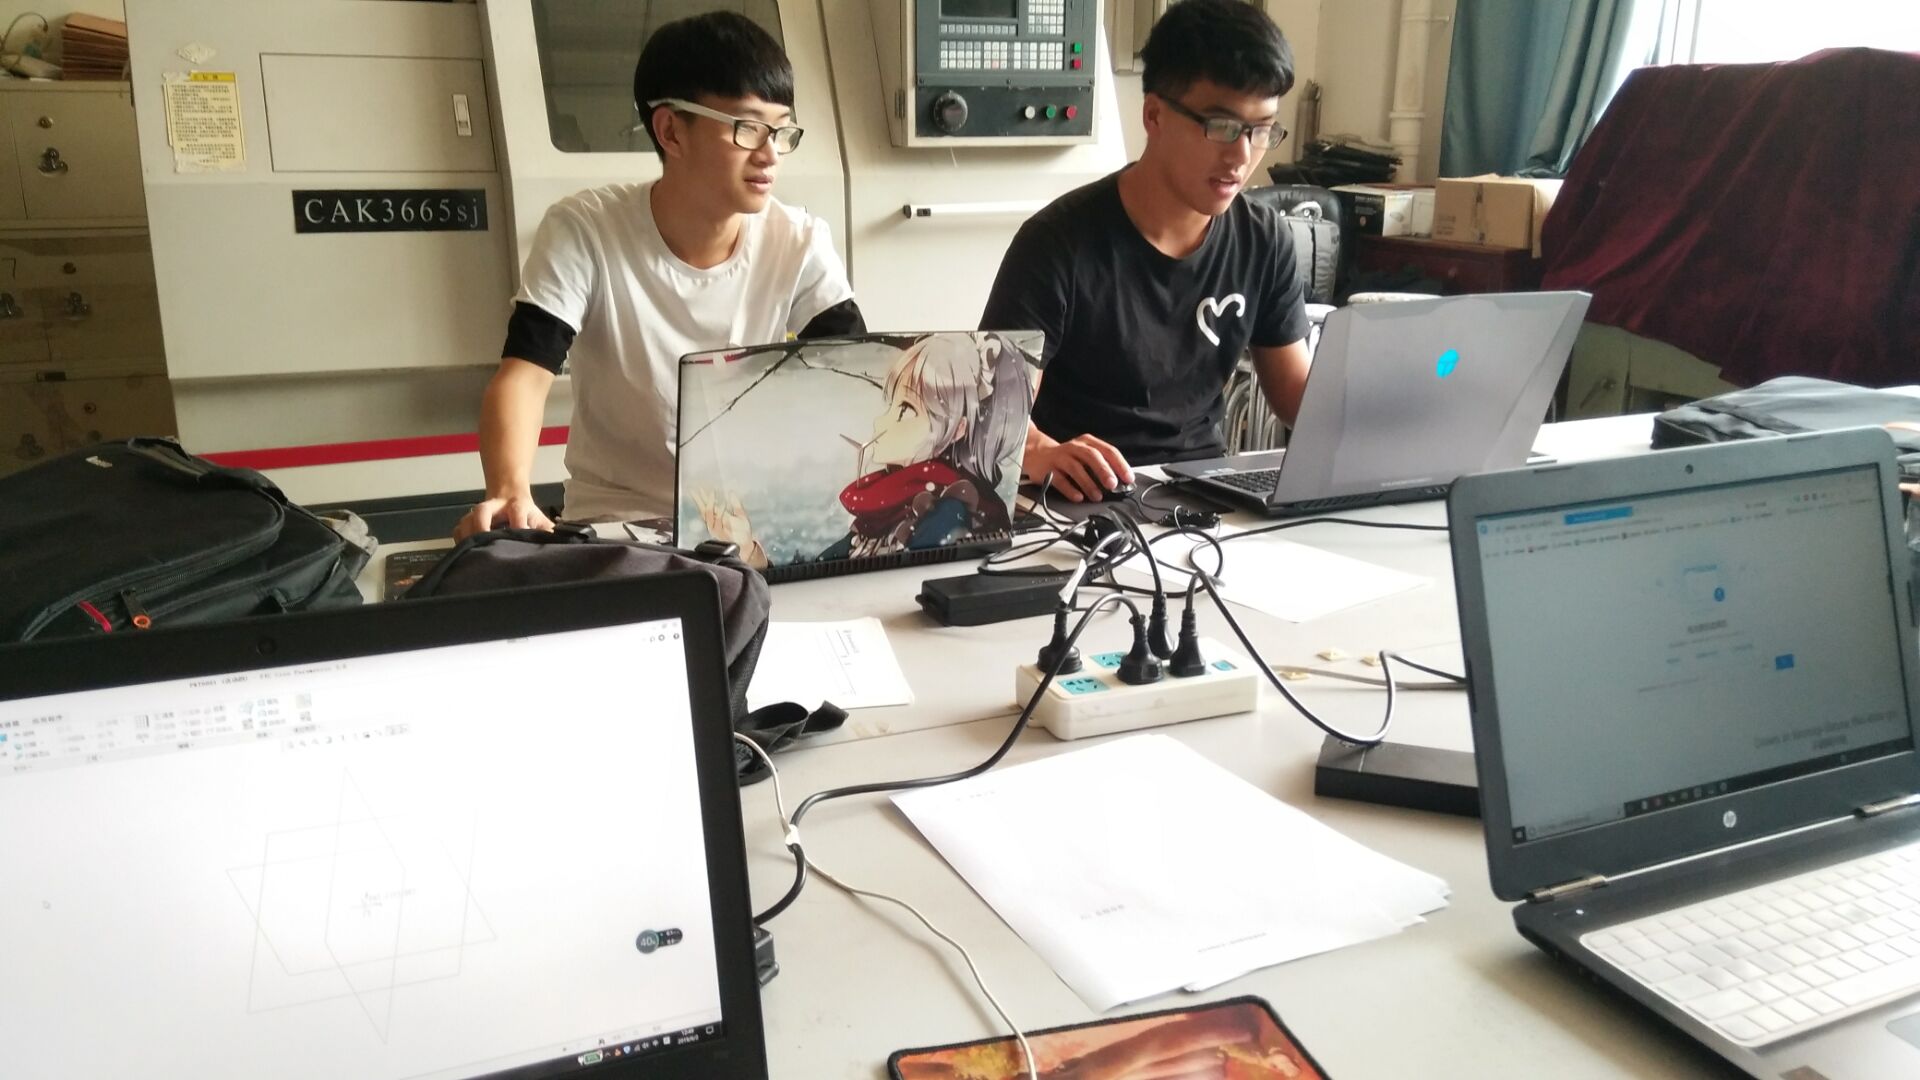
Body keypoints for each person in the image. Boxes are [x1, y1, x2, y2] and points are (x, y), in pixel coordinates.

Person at [455, 11, 865, 539]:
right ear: (671, 130)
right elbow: (525, 375)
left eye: (781, 131)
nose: (769, 155)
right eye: (748, 128)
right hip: (616, 521)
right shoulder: (586, 230)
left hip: (752, 521)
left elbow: (855, 374)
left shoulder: (799, 240)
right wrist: (511, 491)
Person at [978, 0, 1311, 502]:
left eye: (1261, 130)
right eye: (1221, 126)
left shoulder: (1264, 239)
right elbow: (991, 418)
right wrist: (1041, 450)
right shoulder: (1057, 244)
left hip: (1207, 495)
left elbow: (1298, 401)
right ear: (1154, 115)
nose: (1242, 155)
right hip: (1086, 499)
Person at [696, 334, 1031, 568]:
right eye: (891, 405)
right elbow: (815, 572)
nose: (880, 422)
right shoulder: (885, 507)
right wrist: (748, 551)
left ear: (958, 429)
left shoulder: (950, 511)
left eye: (906, 410)